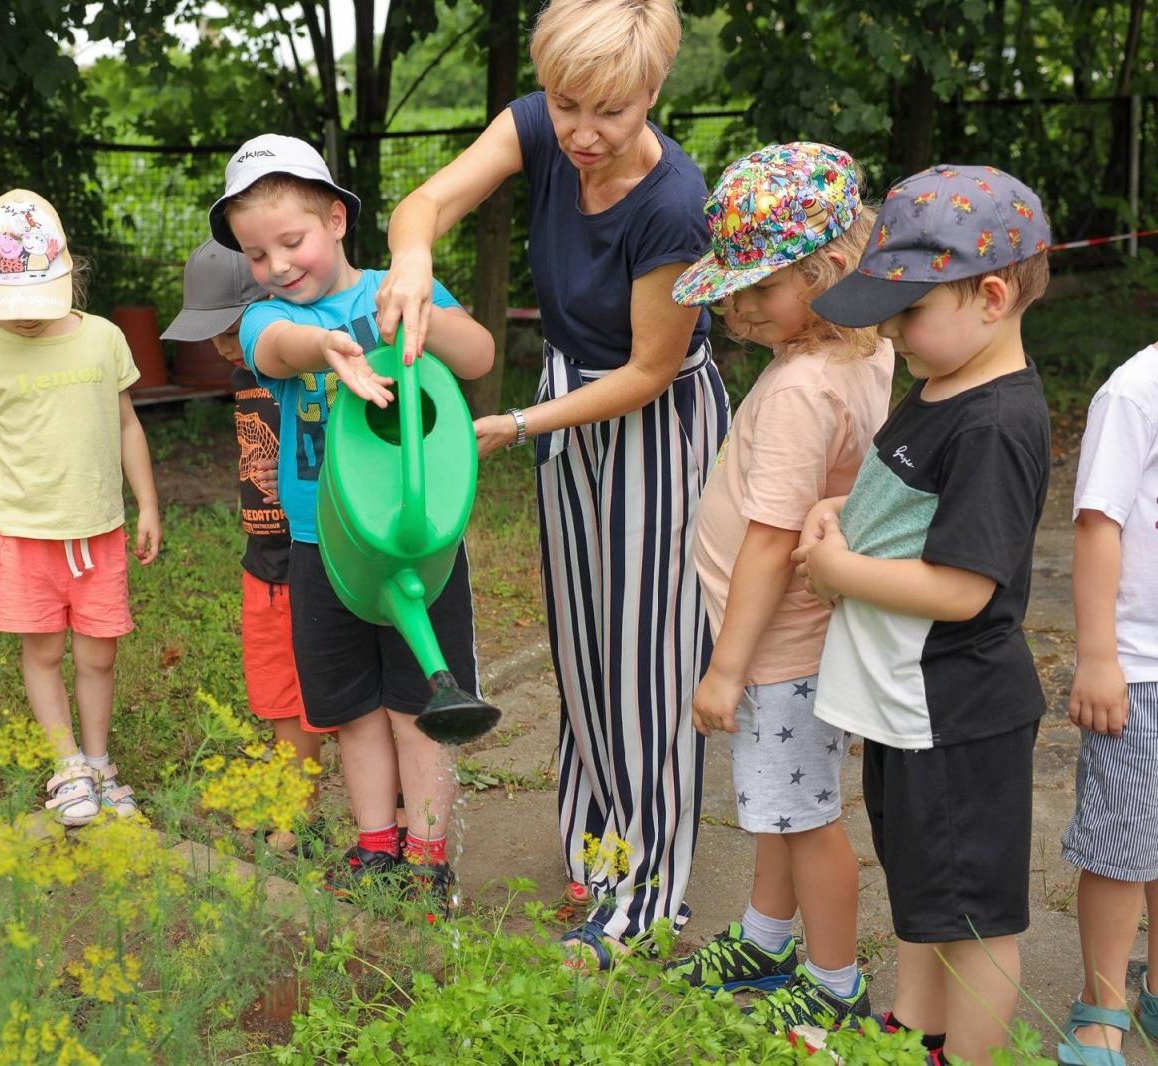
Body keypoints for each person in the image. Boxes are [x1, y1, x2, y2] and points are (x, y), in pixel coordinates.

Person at [376, 0, 727, 960]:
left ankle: (645, 897)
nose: (581, 132)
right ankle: (597, 849)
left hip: (652, 420)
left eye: (609, 112)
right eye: (566, 105)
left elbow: (649, 371)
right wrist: (412, 258)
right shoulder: (540, 124)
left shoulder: (674, 205)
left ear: (653, 91)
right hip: (569, 395)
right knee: (582, 639)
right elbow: (427, 203)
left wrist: (520, 423)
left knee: (648, 661)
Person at [793, 164, 1054, 1064]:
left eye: (908, 310)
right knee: (923, 884)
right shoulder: (944, 379)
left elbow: (962, 588)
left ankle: (967, 1054)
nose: (891, 330)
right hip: (907, 704)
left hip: (956, 712)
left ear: (991, 296)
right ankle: (914, 1032)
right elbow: (906, 509)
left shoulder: (995, 423)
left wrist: (841, 569)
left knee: (972, 914)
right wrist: (839, 514)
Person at [209, 133, 494, 908]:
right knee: (352, 710)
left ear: (336, 220)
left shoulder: (395, 289)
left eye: (290, 241)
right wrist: (327, 345)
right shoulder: (265, 319)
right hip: (321, 550)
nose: (276, 266)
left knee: (420, 704)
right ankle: (375, 847)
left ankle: (427, 858)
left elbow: (477, 357)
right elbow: (278, 349)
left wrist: (418, 305)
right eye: (257, 254)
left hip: (418, 544)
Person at [664, 143, 891, 1028]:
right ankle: (766, 940)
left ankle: (835, 985)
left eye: (758, 288)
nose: (736, 308)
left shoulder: (802, 387)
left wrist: (726, 669)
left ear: (825, 274)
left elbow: (769, 541)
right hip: (791, 641)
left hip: (777, 649)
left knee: (805, 817)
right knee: (778, 804)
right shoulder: (859, 354)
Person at [0, 189, 160, 827]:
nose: (25, 318)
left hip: (100, 532)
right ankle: (67, 766)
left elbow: (127, 425)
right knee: (41, 654)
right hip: (20, 537)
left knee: (99, 655)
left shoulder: (104, 339)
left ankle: (98, 763)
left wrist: (147, 503)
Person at [160, 238, 335, 852]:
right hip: (264, 559)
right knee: (279, 691)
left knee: (340, 689)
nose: (220, 345)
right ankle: (299, 813)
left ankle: (390, 814)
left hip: (322, 555)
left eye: (231, 329)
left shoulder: (313, 372)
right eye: (212, 333)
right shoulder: (243, 376)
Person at [1055, 340, 1158, 1065]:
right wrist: (1098, 656)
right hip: (1141, 668)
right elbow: (1098, 522)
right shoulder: (1135, 391)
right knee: (1123, 845)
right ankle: (1103, 1008)